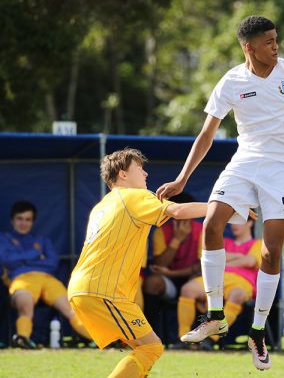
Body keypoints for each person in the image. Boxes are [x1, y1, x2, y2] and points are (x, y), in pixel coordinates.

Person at [156, 15, 284, 370]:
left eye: (276, 39)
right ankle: (214, 315)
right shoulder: (230, 81)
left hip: (282, 168)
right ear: (248, 47)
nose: (275, 46)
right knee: (211, 223)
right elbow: (207, 134)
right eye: (268, 41)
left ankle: (257, 332)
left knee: (271, 253)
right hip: (245, 162)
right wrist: (180, 179)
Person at [67, 149, 210, 378]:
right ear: (123, 174)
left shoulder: (102, 205)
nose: (146, 173)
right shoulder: (133, 196)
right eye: (139, 168)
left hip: (87, 288)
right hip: (103, 290)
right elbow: (178, 210)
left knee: (145, 349)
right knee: (150, 348)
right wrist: (223, 206)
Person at [0, 201, 91, 349]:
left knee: (71, 309)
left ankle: (99, 341)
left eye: (28, 219)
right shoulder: (3, 238)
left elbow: (53, 262)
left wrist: (22, 259)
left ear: (33, 221)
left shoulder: (41, 239)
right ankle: (23, 339)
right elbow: (6, 260)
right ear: (12, 220)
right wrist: (36, 254)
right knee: (26, 307)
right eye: (20, 219)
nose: (24, 223)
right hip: (21, 279)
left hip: (47, 279)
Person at [177, 219, 261, 346]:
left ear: (250, 223)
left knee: (237, 294)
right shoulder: (223, 242)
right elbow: (206, 259)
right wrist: (239, 256)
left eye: (238, 221)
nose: (233, 225)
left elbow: (250, 261)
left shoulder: (258, 243)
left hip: (241, 282)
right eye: (232, 221)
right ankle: (183, 338)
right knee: (188, 289)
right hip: (214, 278)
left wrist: (223, 260)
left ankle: (210, 340)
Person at [143, 192, 203, 331]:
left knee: (199, 279)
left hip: (193, 280)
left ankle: (198, 337)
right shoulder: (162, 231)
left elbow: (201, 267)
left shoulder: (202, 230)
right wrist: (176, 240)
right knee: (152, 282)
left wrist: (172, 274)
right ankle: (150, 334)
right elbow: (160, 266)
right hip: (169, 283)